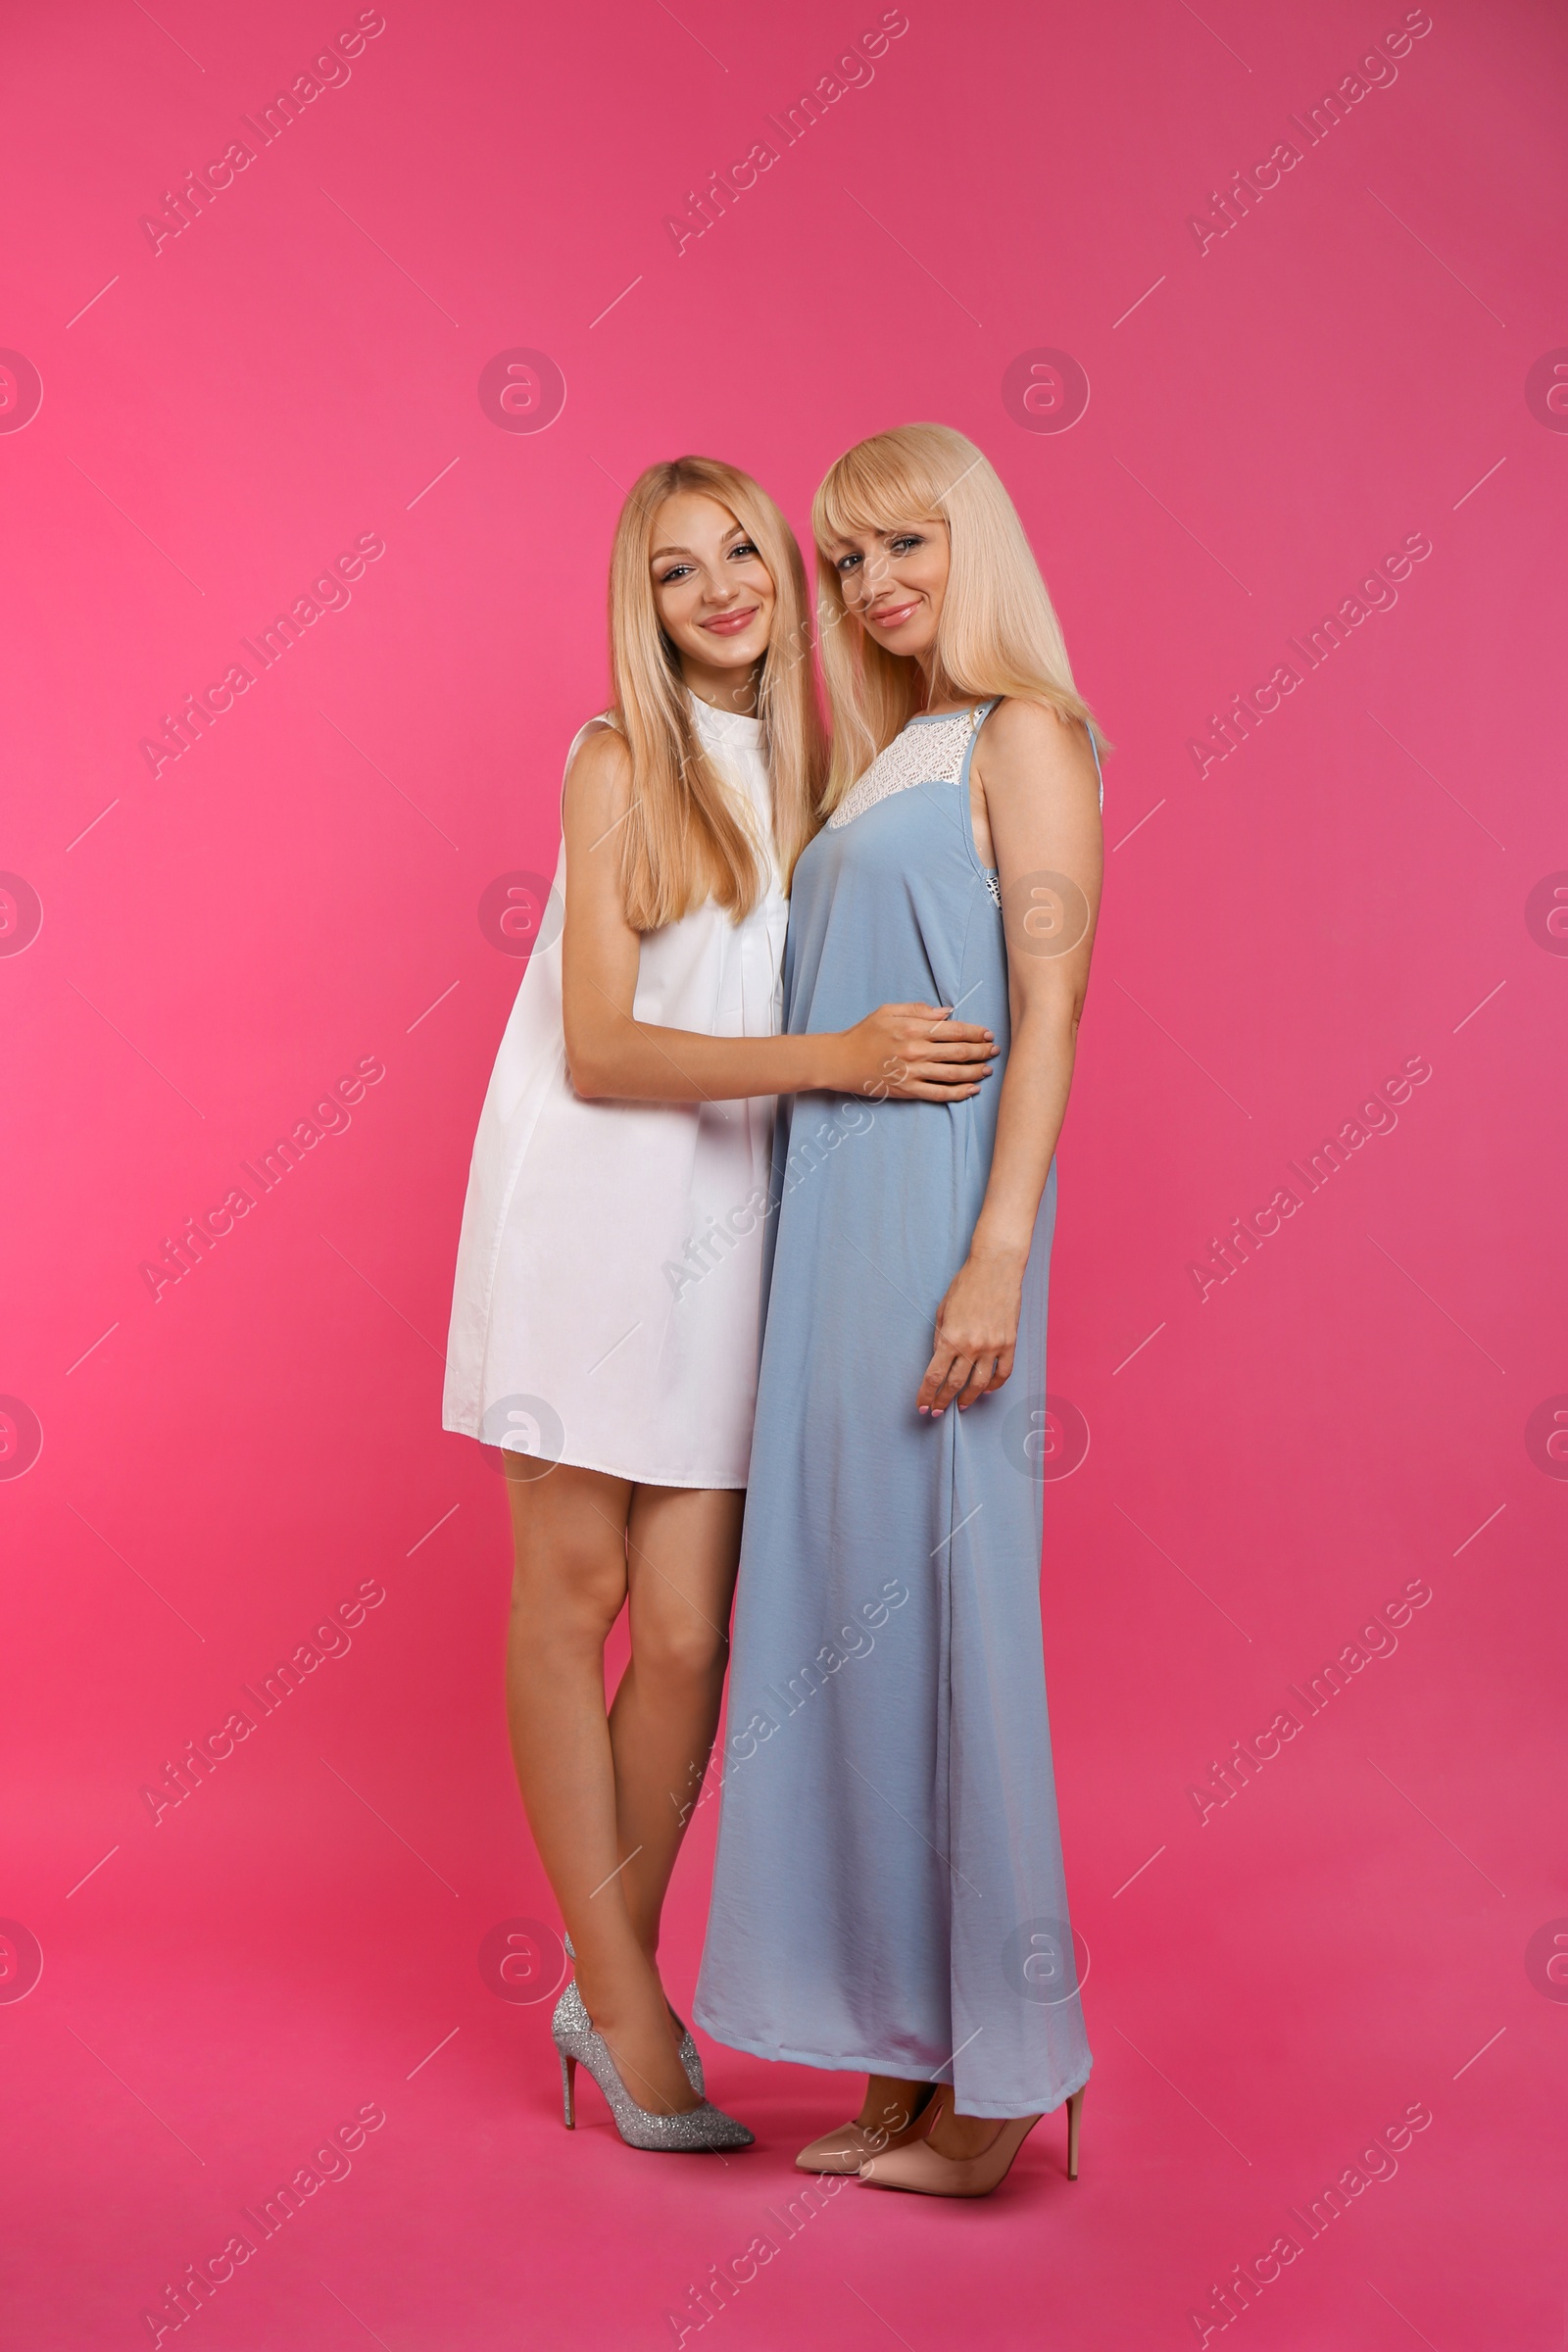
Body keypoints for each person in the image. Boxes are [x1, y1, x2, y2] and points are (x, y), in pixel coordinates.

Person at [442, 454, 999, 2153]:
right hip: (582, 1211)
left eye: (743, 551)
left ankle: (603, 1985)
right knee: (577, 1586)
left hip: (731, 1227)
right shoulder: (621, 758)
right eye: (678, 573)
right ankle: (620, 2002)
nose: (722, 590)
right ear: (646, 606)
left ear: (787, 569)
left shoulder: (825, 762)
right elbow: (602, 1048)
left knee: (688, 1629)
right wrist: (835, 1063)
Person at [694, 423, 1104, 2195]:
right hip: (825, 1233)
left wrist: (1001, 1245)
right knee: (840, 1632)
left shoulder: (1025, 736)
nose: (870, 586)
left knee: (952, 1635)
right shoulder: (882, 757)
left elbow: (1051, 998)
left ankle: (1005, 2074)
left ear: (977, 546)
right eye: (844, 561)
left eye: (904, 546)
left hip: (938, 1216)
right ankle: (902, 2050)